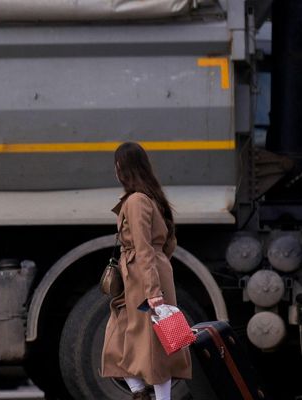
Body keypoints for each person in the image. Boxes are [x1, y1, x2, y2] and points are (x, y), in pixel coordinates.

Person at [101, 142, 192, 400]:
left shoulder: (137, 201)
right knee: (118, 340)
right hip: (144, 274)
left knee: (155, 345)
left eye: (117, 165)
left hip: (143, 278)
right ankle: (141, 394)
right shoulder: (151, 198)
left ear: (124, 168)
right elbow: (167, 243)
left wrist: (153, 290)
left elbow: (143, 247)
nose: (116, 170)